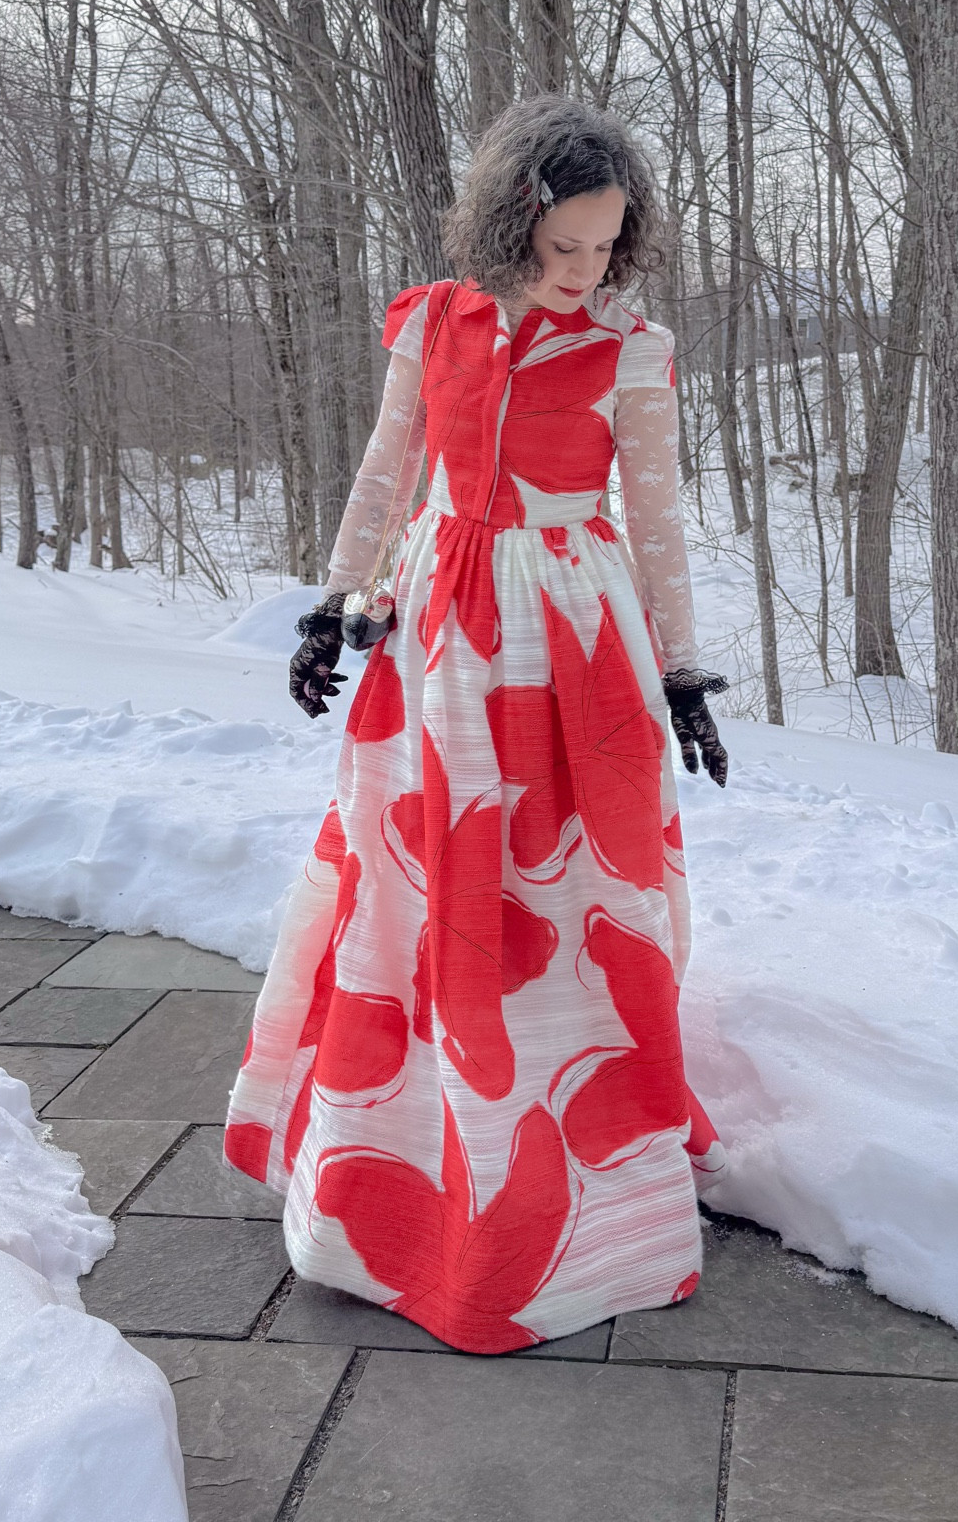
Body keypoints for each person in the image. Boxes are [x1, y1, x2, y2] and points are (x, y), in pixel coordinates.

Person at [224, 93, 730, 1355]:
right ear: (511, 224)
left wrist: (678, 674)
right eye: (564, 244)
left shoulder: (634, 348)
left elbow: (657, 521)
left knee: (565, 887)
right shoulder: (432, 323)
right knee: (423, 872)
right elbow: (390, 474)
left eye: (608, 244)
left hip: (574, 634)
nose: (587, 267)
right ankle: (404, 1149)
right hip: (443, 628)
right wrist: (339, 607)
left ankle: (578, 1166)